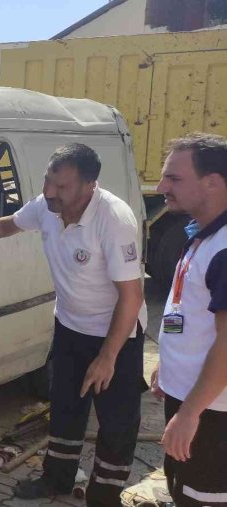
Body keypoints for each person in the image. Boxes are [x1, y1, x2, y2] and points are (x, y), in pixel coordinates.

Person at [0, 143, 146, 505]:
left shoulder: (113, 219)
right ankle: (56, 479)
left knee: (116, 421)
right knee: (65, 406)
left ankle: (105, 494)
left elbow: (132, 297)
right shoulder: (47, 206)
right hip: (70, 328)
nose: (49, 192)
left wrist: (107, 357)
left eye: (61, 186)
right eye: (48, 180)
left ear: (89, 185)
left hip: (116, 335)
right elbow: (7, 226)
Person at [151, 133, 227, 506]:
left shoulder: (224, 249)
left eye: (174, 178)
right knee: (182, 489)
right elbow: (186, 310)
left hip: (212, 412)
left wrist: (190, 414)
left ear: (212, 182)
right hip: (190, 398)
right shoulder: (201, 233)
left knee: (202, 497)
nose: (161, 187)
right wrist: (167, 366)